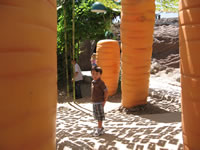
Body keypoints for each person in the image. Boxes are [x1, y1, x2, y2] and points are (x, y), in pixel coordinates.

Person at [91, 66, 108, 136]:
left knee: (99, 116)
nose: (94, 76)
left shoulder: (101, 82)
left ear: (100, 74)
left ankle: (99, 128)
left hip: (99, 102)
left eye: (96, 74)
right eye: (93, 74)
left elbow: (106, 91)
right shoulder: (93, 82)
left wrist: (104, 100)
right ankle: (100, 127)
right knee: (96, 115)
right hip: (94, 102)